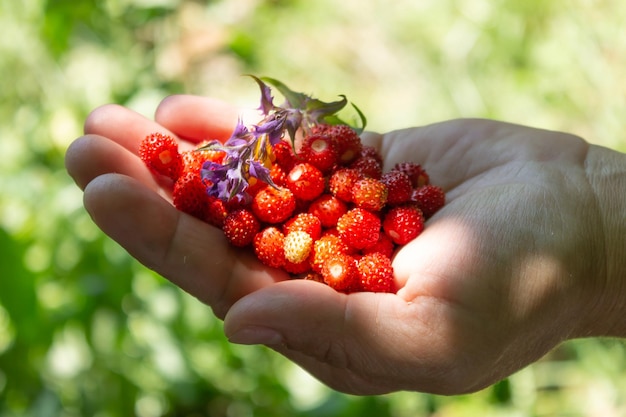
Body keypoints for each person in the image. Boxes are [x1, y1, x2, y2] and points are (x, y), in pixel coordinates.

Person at [65, 94, 626, 396]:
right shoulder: (288, 203)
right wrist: (595, 220)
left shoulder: (370, 198)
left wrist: (598, 226)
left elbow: (366, 206)